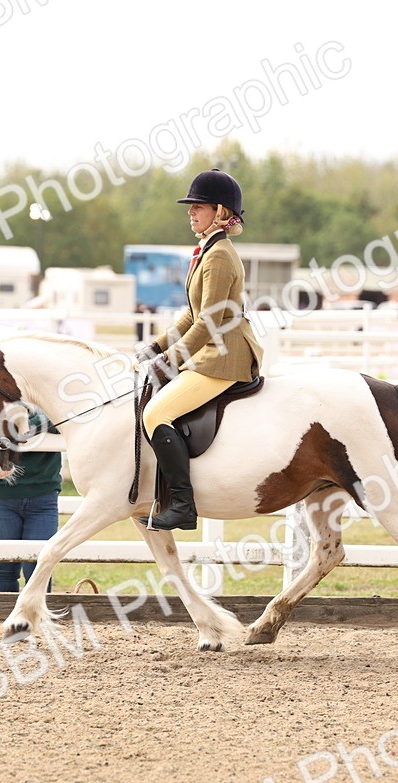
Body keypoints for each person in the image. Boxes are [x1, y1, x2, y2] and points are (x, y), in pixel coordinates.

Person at [134, 168, 264, 531]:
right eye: (190, 206)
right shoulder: (207, 251)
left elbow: (207, 323)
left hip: (225, 356)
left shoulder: (220, 255)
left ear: (221, 212)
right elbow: (190, 315)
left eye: (199, 206)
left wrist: (170, 362)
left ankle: (182, 504)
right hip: (212, 350)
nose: (190, 212)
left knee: (155, 415)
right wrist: (155, 347)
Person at [0, 413, 62, 593]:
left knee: (39, 569)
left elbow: (59, 420)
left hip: (43, 497)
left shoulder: (46, 392)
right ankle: (4, 618)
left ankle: (37, 619)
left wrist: (23, 426)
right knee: (4, 570)